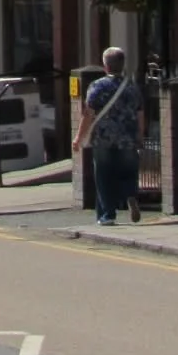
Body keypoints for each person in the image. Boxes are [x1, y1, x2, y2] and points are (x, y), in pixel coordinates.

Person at [72, 44, 146, 225]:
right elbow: (140, 114)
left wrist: (78, 138)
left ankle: (107, 216)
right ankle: (130, 195)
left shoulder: (97, 86)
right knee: (128, 172)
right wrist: (140, 136)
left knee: (104, 176)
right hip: (127, 137)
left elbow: (88, 114)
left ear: (106, 66)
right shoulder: (132, 87)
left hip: (103, 138)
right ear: (123, 65)